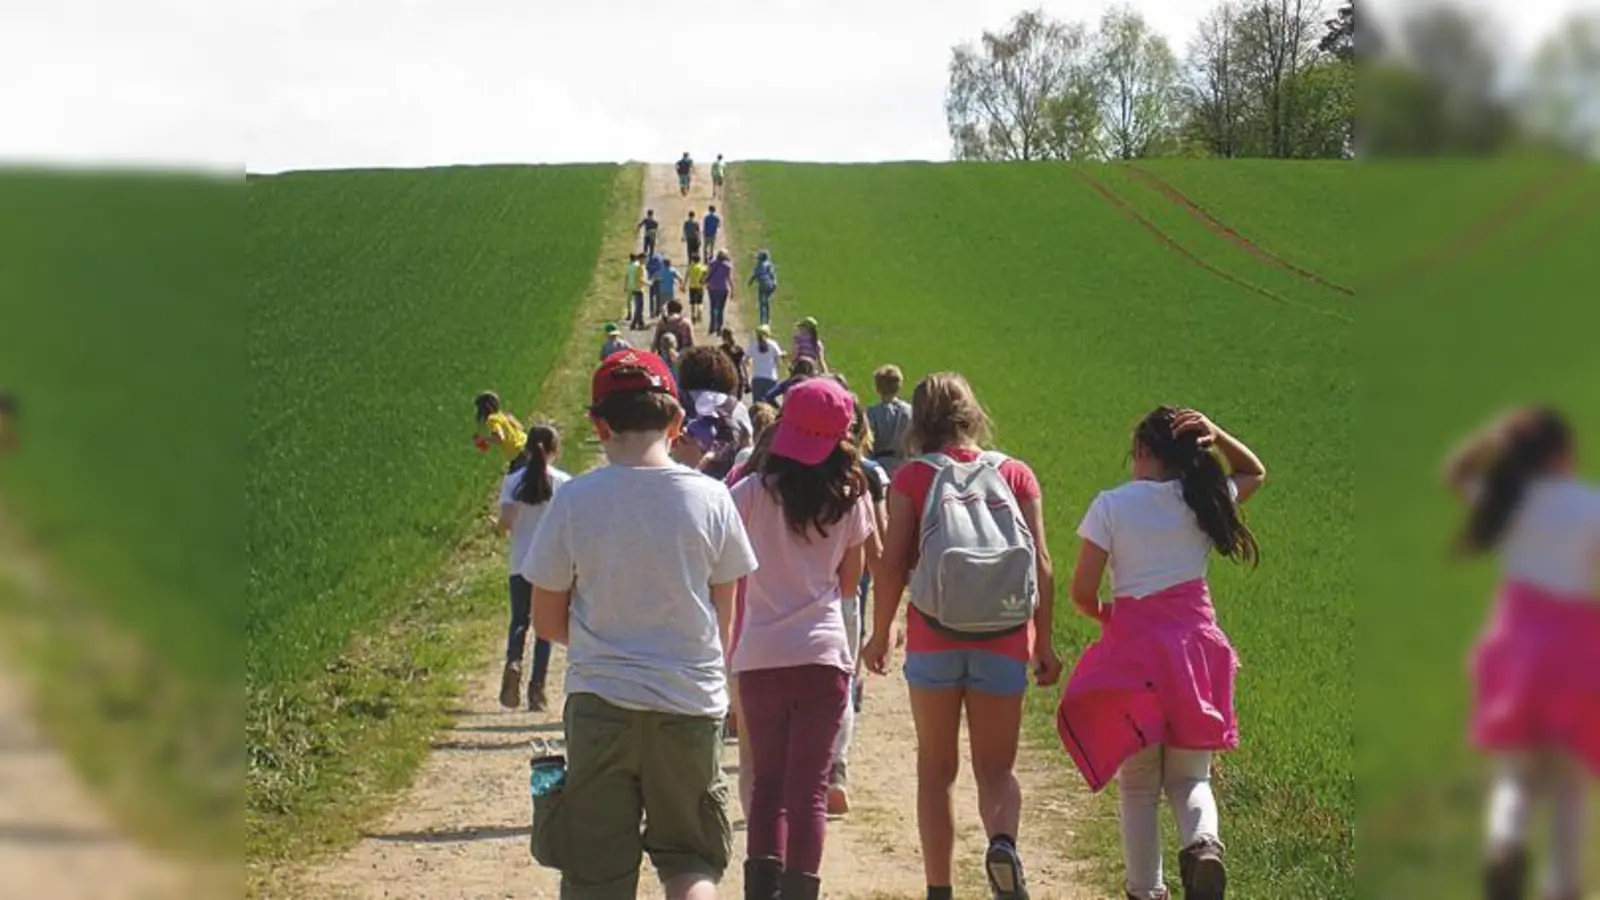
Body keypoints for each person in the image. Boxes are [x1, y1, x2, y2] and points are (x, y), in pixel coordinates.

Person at [524, 349, 757, 900]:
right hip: (688, 702)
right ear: (677, 422)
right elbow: (726, 618)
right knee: (692, 860)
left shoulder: (574, 500)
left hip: (601, 703)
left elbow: (545, 618)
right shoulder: (713, 498)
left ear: (597, 425)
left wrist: (601, 637)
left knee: (596, 872)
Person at [860, 372, 1061, 900]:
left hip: (934, 636)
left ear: (917, 421)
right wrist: (1045, 641)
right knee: (997, 770)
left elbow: (892, 563)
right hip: (1004, 636)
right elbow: (1041, 562)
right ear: (973, 415)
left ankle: (939, 889)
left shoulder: (912, 478)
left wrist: (880, 633)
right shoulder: (1016, 474)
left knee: (936, 769)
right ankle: (1002, 842)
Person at [1055, 407, 1266, 900]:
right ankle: (1203, 845)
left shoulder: (1111, 505)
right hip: (1196, 652)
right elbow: (1254, 471)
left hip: (1134, 658)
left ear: (1144, 453)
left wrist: (1111, 615)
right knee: (1192, 779)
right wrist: (1218, 434)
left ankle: (1145, 891)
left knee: (1138, 787)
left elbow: (1082, 593)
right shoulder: (1205, 498)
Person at [1442, 408, 1600, 900]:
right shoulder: (1590, 505)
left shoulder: (1509, 502)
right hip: (1577, 649)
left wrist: (1492, 437)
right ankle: (1563, 886)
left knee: (1514, 771)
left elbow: (1457, 473)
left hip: (1515, 647)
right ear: (1564, 454)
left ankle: (1504, 841)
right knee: (1569, 783)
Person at [730, 378, 875, 900]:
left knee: (766, 787)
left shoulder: (748, 493)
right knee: (809, 792)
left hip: (761, 654)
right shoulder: (851, 495)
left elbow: (723, 563)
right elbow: (851, 582)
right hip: (823, 655)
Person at [828, 398, 890, 815]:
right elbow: (880, 544)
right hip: (852, 591)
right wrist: (884, 625)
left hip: (797, 592)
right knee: (843, 681)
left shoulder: (787, 470)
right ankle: (836, 767)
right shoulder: (867, 476)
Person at [497, 425, 572, 712]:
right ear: (555, 450)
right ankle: (536, 689)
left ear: (527, 448)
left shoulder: (513, 481)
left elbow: (505, 522)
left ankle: (513, 661)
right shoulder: (564, 483)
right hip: (551, 563)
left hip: (520, 561)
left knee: (519, 620)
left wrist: (503, 528)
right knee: (544, 627)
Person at [868, 365, 914, 474]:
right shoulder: (909, 411)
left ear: (877, 388)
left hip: (878, 464)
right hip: (903, 463)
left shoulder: (872, 413)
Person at [473, 391, 528, 473]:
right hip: (526, 443)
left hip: (518, 453)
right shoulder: (502, 415)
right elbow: (521, 427)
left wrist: (483, 439)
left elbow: (500, 437)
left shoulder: (492, 419)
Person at [748, 324, 786, 403]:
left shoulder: (754, 345)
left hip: (757, 378)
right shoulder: (773, 344)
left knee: (757, 405)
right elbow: (779, 362)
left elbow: (746, 360)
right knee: (771, 405)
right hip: (771, 378)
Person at [706, 249, 735, 335]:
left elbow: (708, 274)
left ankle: (712, 326)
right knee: (720, 309)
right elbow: (729, 279)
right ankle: (719, 327)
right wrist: (733, 289)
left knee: (712, 307)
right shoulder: (727, 266)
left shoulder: (711, 263)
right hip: (723, 289)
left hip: (712, 288)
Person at [749, 250, 778, 327]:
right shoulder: (769, 265)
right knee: (767, 302)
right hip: (770, 285)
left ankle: (762, 320)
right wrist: (774, 283)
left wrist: (750, 282)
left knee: (762, 303)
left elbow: (754, 275)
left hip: (762, 285)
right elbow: (772, 275)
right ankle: (768, 320)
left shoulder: (759, 265)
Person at [719, 328, 749, 399]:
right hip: (739, 377)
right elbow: (743, 366)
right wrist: (746, 380)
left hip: (727, 378)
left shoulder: (721, 350)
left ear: (723, 338)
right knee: (738, 402)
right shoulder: (739, 349)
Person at [625, 254, 649, 330]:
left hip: (635, 288)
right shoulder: (639, 267)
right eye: (645, 259)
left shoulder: (635, 266)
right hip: (638, 289)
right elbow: (639, 278)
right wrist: (648, 283)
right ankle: (634, 324)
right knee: (639, 308)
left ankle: (641, 323)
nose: (646, 260)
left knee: (639, 307)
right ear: (641, 259)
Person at [687, 256, 709, 324]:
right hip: (700, 286)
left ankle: (693, 315)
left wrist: (684, 284)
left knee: (692, 303)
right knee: (700, 302)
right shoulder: (702, 267)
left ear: (693, 260)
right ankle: (699, 313)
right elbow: (706, 274)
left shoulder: (691, 267)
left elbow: (687, 275)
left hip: (692, 286)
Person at [646, 250, 666, 318]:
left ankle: (651, 312)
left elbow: (647, 268)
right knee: (659, 296)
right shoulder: (662, 260)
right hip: (659, 279)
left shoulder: (650, 260)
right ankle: (658, 311)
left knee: (651, 296)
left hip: (652, 279)